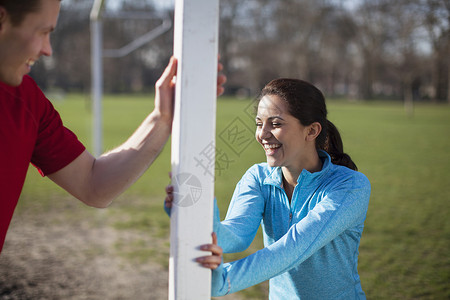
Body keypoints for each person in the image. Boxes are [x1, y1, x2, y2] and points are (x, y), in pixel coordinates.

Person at [0, 0, 226, 254]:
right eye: (43, 32)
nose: (48, 50)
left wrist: (162, 118)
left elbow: (93, 184)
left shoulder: (26, 101)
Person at [166, 78, 371, 299]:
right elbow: (235, 235)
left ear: (311, 131)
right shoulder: (257, 177)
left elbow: (292, 249)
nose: (262, 135)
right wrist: (196, 207)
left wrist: (224, 280)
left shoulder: (350, 186)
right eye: (258, 123)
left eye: (275, 124)